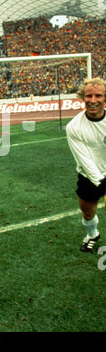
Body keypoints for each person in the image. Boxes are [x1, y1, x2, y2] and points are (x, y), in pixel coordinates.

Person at [66, 77, 106, 252]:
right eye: (89, 96)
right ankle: (92, 234)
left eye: (98, 95)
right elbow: (84, 159)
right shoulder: (74, 126)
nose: (93, 100)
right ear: (83, 97)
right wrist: (101, 181)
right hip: (89, 176)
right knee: (88, 213)